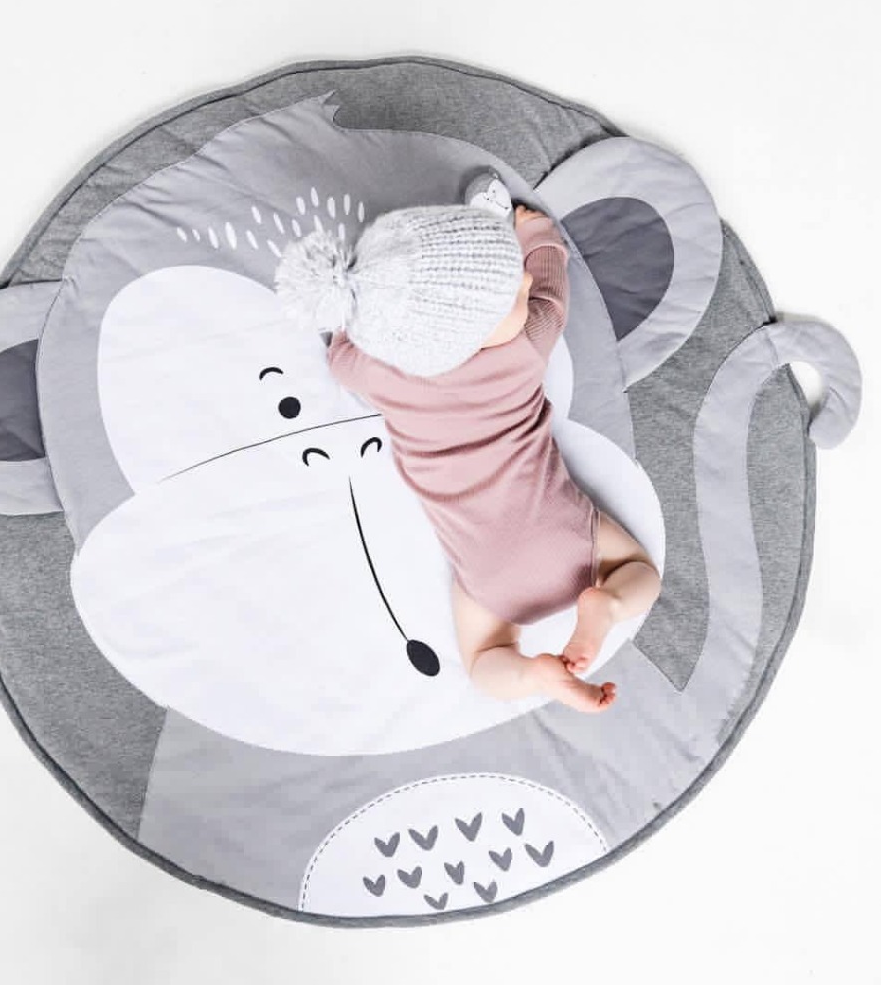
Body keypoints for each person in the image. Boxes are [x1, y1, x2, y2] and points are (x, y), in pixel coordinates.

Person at [273, 172, 661, 713]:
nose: (526, 285)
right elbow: (550, 283)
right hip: (565, 537)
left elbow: (342, 356)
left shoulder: (386, 376)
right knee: (642, 576)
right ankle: (609, 605)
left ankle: (532, 675)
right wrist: (535, 233)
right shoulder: (527, 346)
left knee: (484, 664)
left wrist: (357, 311)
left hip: (488, 574)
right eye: (515, 295)